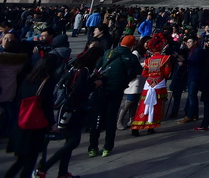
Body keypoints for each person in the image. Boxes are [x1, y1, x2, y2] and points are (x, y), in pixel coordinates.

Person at [35, 46, 104, 178]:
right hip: (73, 108)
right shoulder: (84, 70)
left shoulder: (77, 66)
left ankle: (63, 172)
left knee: (70, 141)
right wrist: (94, 85)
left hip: (68, 106)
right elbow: (78, 90)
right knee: (73, 141)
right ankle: (44, 168)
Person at [87, 34, 142, 157]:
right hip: (116, 90)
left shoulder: (108, 52)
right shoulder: (131, 56)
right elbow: (138, 71)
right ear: (132, 45)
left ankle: (92, 147)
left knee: (97, 118)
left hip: (101, 88)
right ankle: (107, 147)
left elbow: (97, 66)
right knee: (111, 119)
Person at [5, 55, 56, 178]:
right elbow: (46, 105)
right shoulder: (47, 81)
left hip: (21, 122)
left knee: (21, 160)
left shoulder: (28, 79)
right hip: (34, 126)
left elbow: (19, 99)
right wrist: (52, 124)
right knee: (30, 161)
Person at [131, 32, 172, 134]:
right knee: (155, 106)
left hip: (148, 84)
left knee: (143, 105)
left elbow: (144, 72)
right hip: (159, 83)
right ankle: (151, 126)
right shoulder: (165, 59)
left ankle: (136, 126)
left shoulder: (148, 60)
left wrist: (151, 76)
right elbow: (167, 73)